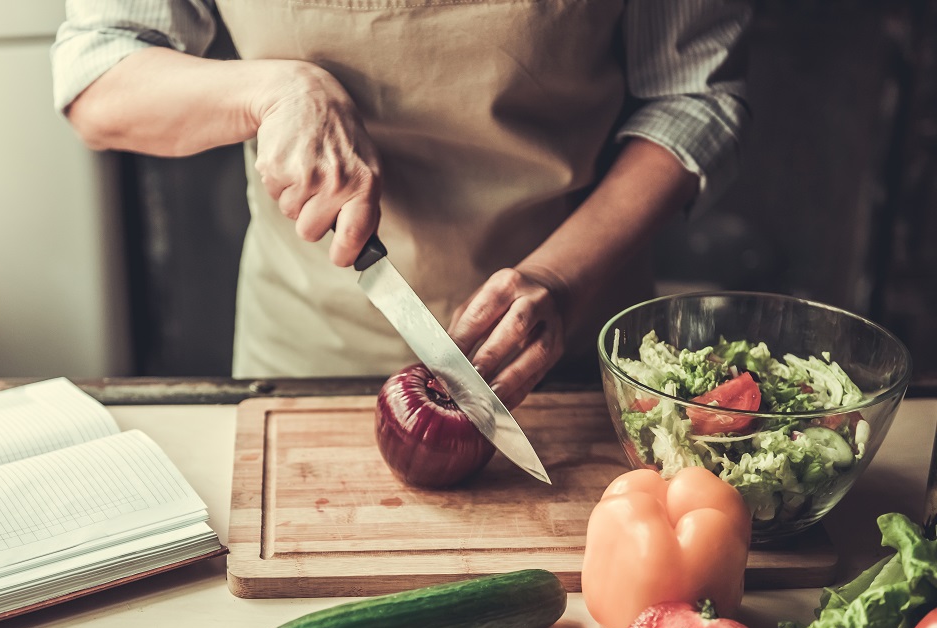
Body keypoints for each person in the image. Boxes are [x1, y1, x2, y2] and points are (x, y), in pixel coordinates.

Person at [53, 1, 751, 408]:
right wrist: (273, 92)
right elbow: (99, 72)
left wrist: (561, 281)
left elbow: (693, 94)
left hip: (573, 347)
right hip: (307, 353)